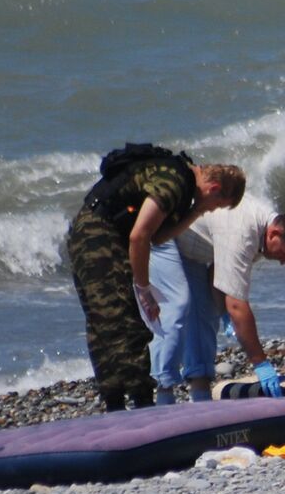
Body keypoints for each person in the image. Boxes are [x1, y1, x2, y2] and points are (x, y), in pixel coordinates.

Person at [66, 148, 245, 412]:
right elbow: (139, 236)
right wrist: (143, 288)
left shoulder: (183, 188)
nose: (212, 211)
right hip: (98, 235)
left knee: (106, 323)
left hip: (96, 233)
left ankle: (117, 403)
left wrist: (196, 212)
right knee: (123, 323)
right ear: (215, 188)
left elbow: (157, 238)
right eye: (217, 205)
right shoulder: (175, 180)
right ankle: (140, 404)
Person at [147, 198, 285, 403]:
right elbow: (237, 305)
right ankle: (163, 393)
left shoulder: (262, 235)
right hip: (162, 234)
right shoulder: (242, 234)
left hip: (193, 249)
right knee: (178, 308)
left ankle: (200, 393)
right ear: (275, 234)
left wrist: (222, 312)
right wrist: (260, 363)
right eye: (284, 254)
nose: (282, 262)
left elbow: (218, 274)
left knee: (206, 313)